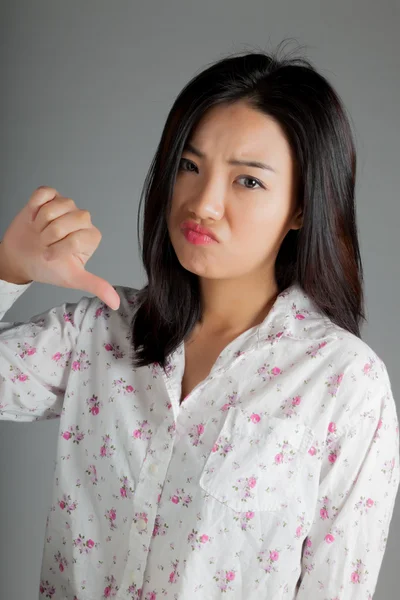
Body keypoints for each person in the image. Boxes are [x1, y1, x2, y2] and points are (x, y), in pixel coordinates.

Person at [0, 44, 399, 600]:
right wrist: (8, 270)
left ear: (303, 206)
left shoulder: (344, 386)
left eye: (248, 181)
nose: (204, 203)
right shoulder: (99, 333)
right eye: (190, 166)